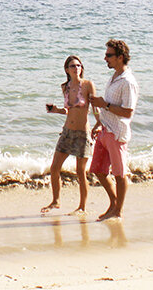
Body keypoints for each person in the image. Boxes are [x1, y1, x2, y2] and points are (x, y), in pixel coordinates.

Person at [41, 55, 98, 214]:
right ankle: (56, 201)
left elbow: (95, 109)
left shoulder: (88, 85)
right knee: (54, 168)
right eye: (72, 66)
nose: (76, 68)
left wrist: (99, 126)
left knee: (81, 171)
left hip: (82, 133)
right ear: (67, 69)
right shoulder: (65, 87)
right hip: (67, 132)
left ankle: (82, 207)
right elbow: (69, 110)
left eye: (79, 65)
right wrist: (56, 110)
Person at [89, 39, 139, 221]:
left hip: (117, 133)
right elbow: (108, 107)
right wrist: (98, 122)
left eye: (109, 55)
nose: (105, 58)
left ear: (120, 57)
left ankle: (118, 210)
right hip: (105, 130)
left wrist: (105, 104)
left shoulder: (128, 82)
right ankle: (114, 203)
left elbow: (128, 111)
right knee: (98, 170)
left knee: (119, 174)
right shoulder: (114, 77)